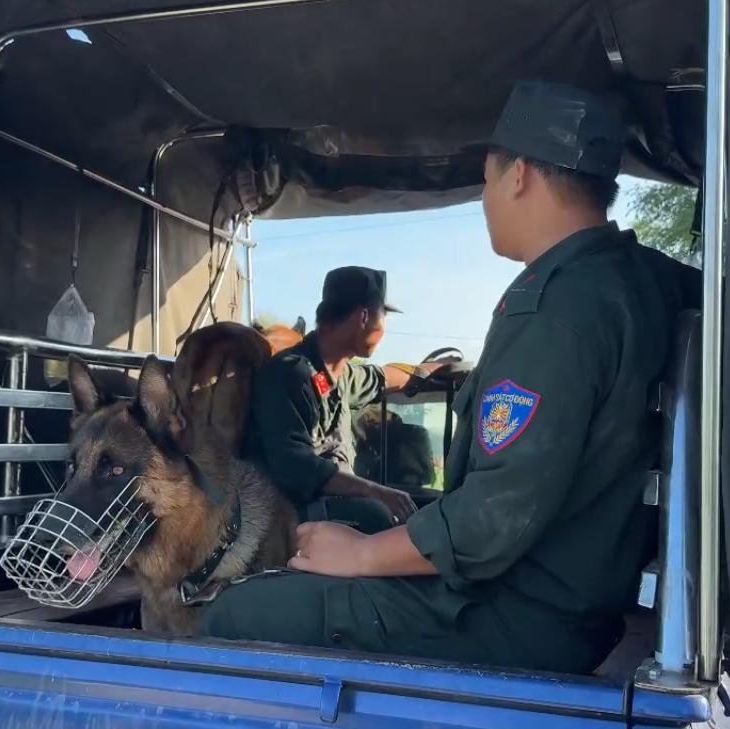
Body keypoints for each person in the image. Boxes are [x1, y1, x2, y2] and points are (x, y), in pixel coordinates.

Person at [202, 80, 701, 674]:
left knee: (238, 614)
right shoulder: (644, 277)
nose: (488, 197)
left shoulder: (555, 312)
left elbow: (492, 516)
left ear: (518, 175)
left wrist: (363, 555)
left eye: (487, 179)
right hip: (559, 595)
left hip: (509, 612)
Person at [246, 266, 447, 533]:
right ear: (364, 317)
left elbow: (384, 378)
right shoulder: (290, 373)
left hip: (327, 504)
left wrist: (436, 370)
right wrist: (373, 491)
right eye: (383, 316)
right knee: (377, 516)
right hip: (289, 516)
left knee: (432, 506)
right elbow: (294, 467)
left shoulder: (342, 373)